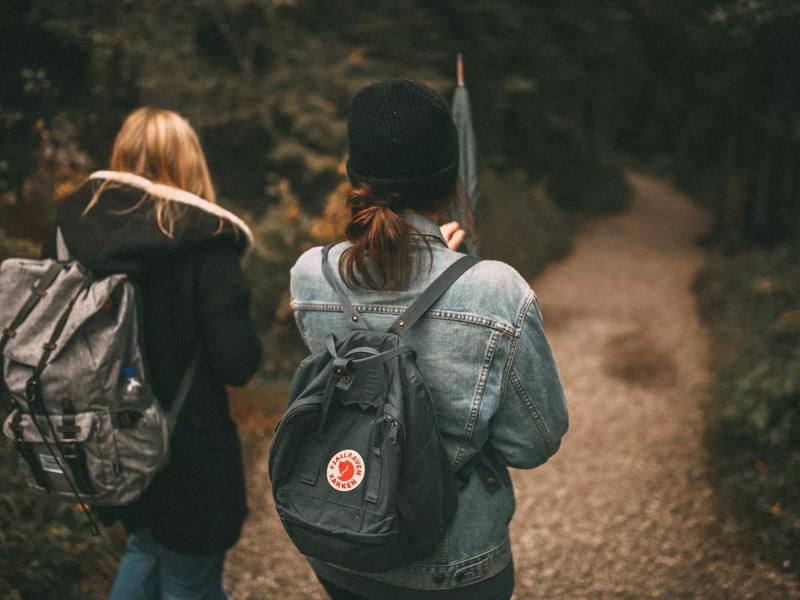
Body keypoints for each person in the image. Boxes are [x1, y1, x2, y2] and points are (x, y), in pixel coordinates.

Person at [289, 79, 569, 600]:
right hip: (453, 565)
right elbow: (533, 443)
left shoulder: (309, 275)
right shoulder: (496, 290)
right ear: (450, 180)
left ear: (356, 176)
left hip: (341, 543)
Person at [42, 107, 262, 599]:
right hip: (189, 451)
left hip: (104, 442)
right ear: (189, 164)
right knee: (190, 579)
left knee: (142, 547)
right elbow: (238, 363)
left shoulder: (69, 229)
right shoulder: (207, 243)